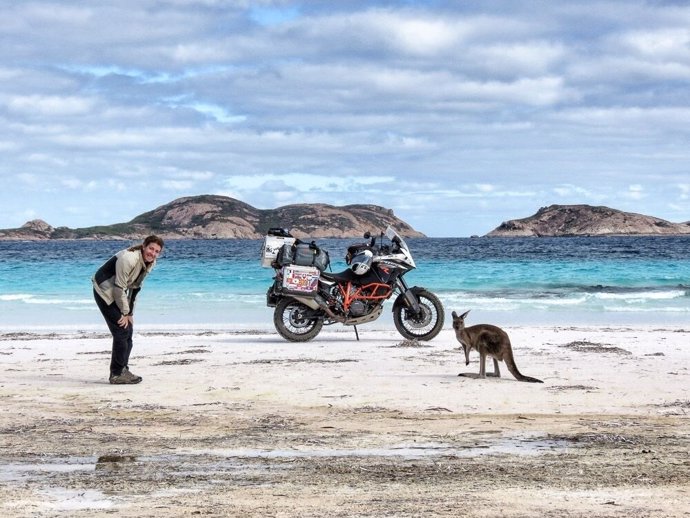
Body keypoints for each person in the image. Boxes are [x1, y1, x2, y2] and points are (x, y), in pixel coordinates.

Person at [92, 235, 164, 384]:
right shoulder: (129, 259)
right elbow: (119, 288)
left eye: (157, 251)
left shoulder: (150, 262)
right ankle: (116, 374)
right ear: (144, 246)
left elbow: (135, 288)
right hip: (104, 290)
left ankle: (123, 369)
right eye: (151, 248)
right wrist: (124, 313)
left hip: (117, 291)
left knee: (128, 329)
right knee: (121, 330)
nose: (153, 253)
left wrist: (130, 313)